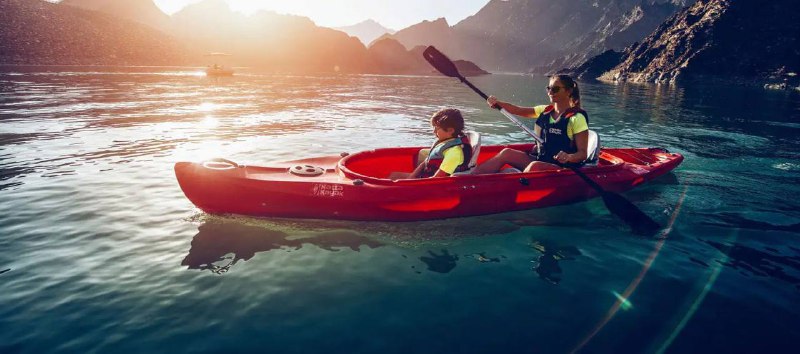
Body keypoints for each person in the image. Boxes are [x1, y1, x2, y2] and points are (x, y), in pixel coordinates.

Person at [470, 74, 590, 174]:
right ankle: (468, 178)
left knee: (534, 166)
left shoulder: (577, 118)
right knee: (507, 153)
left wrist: (569, 157)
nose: (550, 92)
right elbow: (518, 110)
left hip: (563, 168)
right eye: (549, 88)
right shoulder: (545, 110)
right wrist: (497, 103)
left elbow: (582, 154)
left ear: (568, 91)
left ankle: (511, 187)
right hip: (542, 158)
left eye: (555, 89)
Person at [389, 108, 472, 179]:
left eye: (437, 128)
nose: (434, 131)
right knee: (393, 175)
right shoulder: (444, 142)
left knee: (394, 180)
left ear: (450, 130)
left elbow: (438, 178)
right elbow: (426, 162)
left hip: (435, 183)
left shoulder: (454, 152)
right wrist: (411, 177)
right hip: (426, 176)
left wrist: (413, 184)